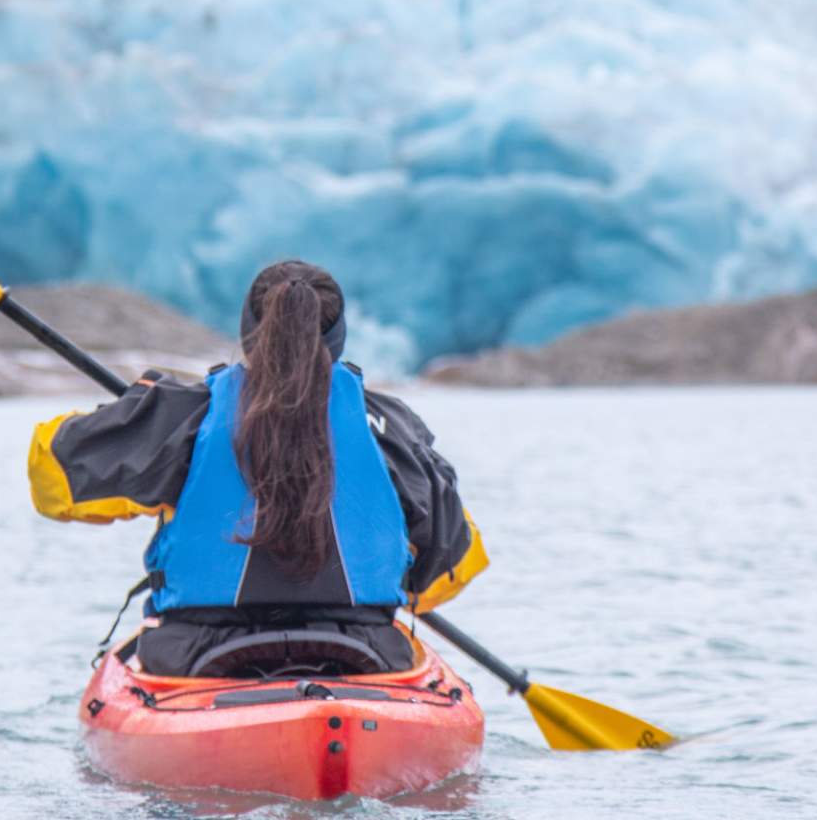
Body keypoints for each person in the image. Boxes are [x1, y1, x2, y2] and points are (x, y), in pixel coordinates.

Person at [25, 260, 487, 676]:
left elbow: (55, 477)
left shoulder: (189, 413)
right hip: (363, 654)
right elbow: (454, 566)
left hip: (198, 656)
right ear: (337, 336)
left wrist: (139, 409)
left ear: (250, 331)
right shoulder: (392, 428)